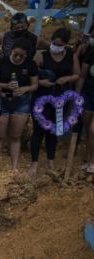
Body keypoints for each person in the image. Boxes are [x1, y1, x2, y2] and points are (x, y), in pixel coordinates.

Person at [0, 38, 39, 180]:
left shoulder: (30, 64)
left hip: (21, 102)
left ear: (26, 55)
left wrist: (25, 88)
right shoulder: (2, 62)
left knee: (15, 137)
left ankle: (14, 168)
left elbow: (35, 85)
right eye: (15, 54)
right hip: (3, 100)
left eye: (22, 55)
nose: (18, 58)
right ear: (11, 51)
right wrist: (5, 85)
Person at [29, 28, 80, 178]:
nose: (55, 46)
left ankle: (51, 160)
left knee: (54, 129)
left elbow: (77, 74)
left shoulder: (71, 55)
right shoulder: (42, 55)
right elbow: (31, 75)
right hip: (42, 98)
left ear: (65, 44)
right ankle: (34, 162)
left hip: (61, 98)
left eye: (59, 44)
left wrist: (66, 79)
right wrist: (41, 82)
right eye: (53, 43)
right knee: (39, 130)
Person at [77, 26, 94, 174]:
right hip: (88, 94)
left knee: (93, 130)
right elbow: (82, 76)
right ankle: (89, 159)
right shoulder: (90, 53)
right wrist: (76, 95)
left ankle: (92, 162)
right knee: (88, 130)